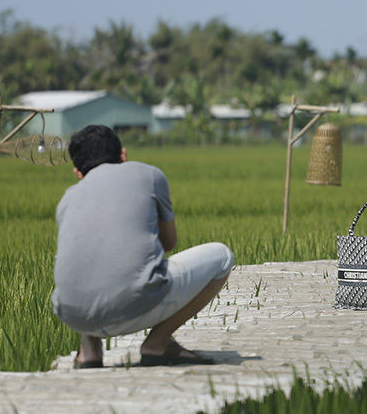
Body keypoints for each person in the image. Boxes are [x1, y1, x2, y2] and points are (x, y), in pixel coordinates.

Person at [52, 125, 234, 368]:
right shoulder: (149, 175)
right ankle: (157, 343)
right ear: (123, 156)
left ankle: (89, 351)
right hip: (133, 306)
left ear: (78, 172)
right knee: (223, 257)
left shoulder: (67, 198)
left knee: (92, 262)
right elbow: (169, 244)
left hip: (73, 315)